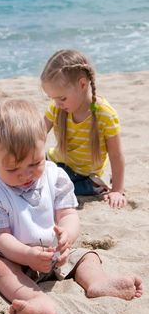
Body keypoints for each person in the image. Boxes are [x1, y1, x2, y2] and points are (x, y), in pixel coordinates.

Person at [0, 99, 142, 314]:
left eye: (35, 163)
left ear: (44, 143)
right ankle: (33, 298)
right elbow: (0, 237)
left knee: (86, 255)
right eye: (13, 168)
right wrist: (27, 255)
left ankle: (97, 283)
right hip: (11, 256)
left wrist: (66, 236)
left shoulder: (55, 176)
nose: (26, 175)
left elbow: (68, 214)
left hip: (53, 254)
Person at [41, 49, 127, 208]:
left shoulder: (105, 115)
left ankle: (97, 186)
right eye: (52, 98)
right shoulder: (57, 108)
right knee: (38, 179)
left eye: (62, 98)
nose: (57, 104)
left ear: (82, 84)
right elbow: (37, 135)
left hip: (85, 176)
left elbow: (116, 155)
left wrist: (117, 190)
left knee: (63, 189)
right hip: (57, 164)